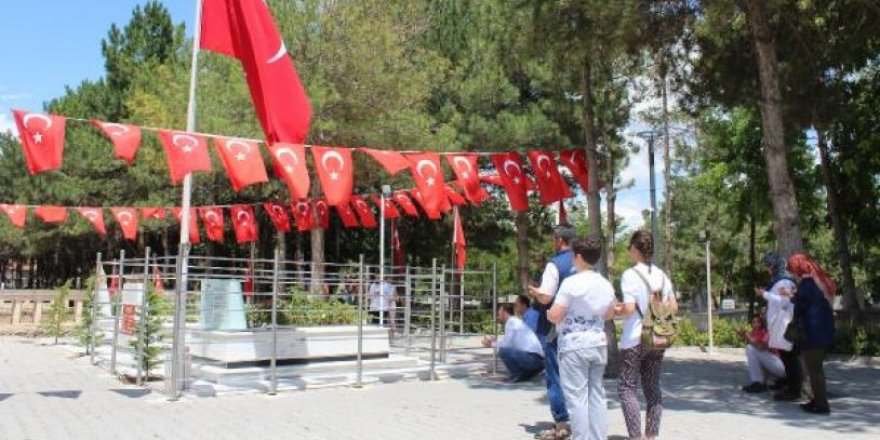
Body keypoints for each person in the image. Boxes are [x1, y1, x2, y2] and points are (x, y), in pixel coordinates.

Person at [547, 236, 616, 440]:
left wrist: (549, 314)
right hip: (597, 343)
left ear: (577, 257)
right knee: (597, 395)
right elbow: (610, 313)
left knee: (577, 398)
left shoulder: (571, 283)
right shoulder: (605, 284)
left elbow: (557, 314)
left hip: (573, 346)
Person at [614, 230, 677, 440]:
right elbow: (674, 307)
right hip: (658, 336)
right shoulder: (661, 275)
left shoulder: (630, 275)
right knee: (652, 386)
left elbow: (630, 309)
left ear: (635, 248)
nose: (629, 251)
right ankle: (651, 435)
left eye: (630, 247)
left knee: (626, 387)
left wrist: (617, 309)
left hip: (635, 336)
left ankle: (635, 436)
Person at [528, 224, 576, 439]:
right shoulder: (585, 263)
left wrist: (536, 292)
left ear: (558, 239)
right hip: (583, 330)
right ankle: (583, 420)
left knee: (555, 373)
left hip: (556, 328)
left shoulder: (554, 265)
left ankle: (562, 422)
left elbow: (547, 297)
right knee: (579, 376)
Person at [782, 253, 836, 415]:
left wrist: (789, 294)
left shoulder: (807, 284)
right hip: (822, 333)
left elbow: (801, 304)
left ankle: (822, 406)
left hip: (813, 335)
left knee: (815, 371)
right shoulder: (815, 281)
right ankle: (816, 400)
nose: (791, 273)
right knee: (815, 370)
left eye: (791, 269)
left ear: (797, 268)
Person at [755, 252, 800, 401]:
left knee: (790, 358)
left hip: (784, 325)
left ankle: (794, 390)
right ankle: (789, 386)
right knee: (786, 358)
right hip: (778, 325)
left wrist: (764, 294)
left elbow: (784, 302)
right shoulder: (778, 281)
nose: (767, 270)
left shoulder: (784, 282)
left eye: (768, 266)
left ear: (775, 266)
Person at [482, 303, 545, 382]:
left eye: (499, 314)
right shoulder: (515, 321)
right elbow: (510, 343)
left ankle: (517, 374)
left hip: (533, 359)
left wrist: (491, 344)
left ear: (504, 312)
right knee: (507, 350)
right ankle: (525, 374)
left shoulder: (511, 322)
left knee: (503, 351)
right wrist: (495, 342)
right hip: (538, 360)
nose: (498, 317)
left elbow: (507, 344)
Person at [740, 315, 786, 393]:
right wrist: (745, 335)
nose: (756, 324)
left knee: (750, 348)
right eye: (754, 322)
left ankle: (759, 382)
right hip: (772, 366)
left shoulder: (766, 332)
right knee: (751, 351)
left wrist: (747, 336)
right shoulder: (752, 333)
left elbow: (761, 347)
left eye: (758, 322)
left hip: (779, 366)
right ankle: (760, 382)